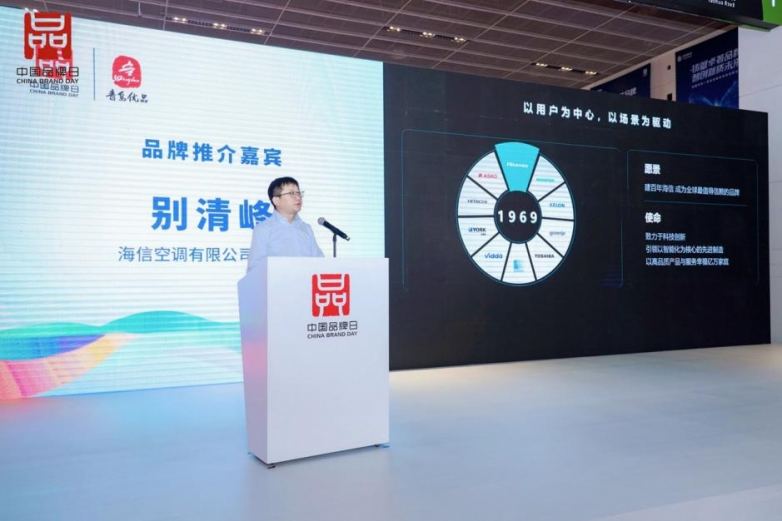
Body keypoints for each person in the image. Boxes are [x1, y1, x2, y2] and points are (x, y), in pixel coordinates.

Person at [246, 176, 324, 273]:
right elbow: (254, 268)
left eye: (298, 193)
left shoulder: (306, 228)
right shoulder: (264, 229)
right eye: (291, 193)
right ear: (276, 200)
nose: (298, 197)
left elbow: (319, 262)